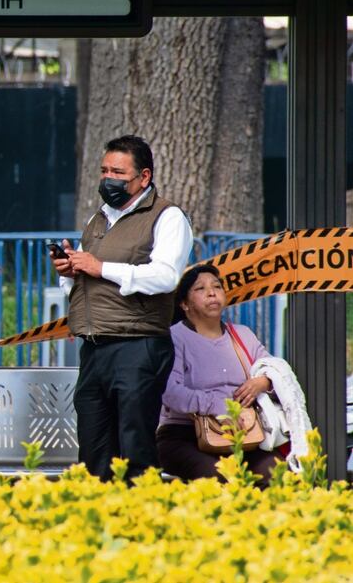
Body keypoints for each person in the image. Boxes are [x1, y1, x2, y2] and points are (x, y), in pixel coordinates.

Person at [53, 135, 193, 480]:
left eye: (118, 172)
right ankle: (100, 521)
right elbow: (88, 281)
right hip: (95, 347)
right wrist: (70, 273)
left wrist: (100, 267)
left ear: (144, 177)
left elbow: (165, 276)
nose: (108, 179)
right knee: (94, 448)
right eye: (104, 171)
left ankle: (141, 521)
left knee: (135, 448)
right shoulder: (97, 219)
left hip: (138, 347)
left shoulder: (168, 217)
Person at [158, 265, 285, 485]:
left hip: (244, 435)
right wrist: (221, 406)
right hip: (184, 435)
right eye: (201, 288)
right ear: (184, 304)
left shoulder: (243, 334)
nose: (211, 292)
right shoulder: (174, 338)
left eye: (217, 286)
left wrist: (262, 382)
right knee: (219, 478)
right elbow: (169, 392)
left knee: (280, 475)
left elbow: (272, 369)